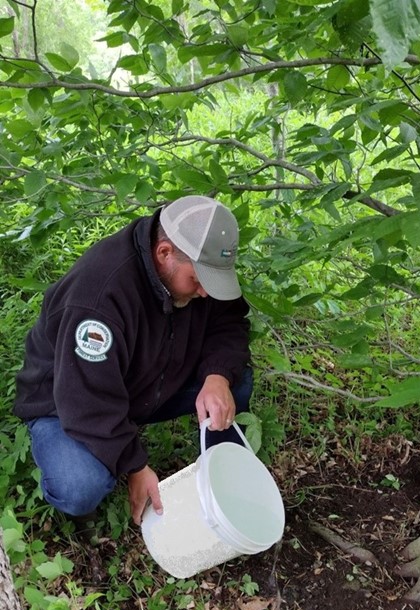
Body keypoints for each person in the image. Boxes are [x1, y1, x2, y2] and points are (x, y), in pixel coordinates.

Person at [13, 195, 253, 528]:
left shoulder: (196, 265)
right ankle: (88, 493)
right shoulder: (99, 297)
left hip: (142, 381)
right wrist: (135, 466)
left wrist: (217, 377)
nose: (205, 293)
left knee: (236, 382)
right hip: (64, 401)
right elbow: (86, 398)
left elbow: (230, 322)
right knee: (80, 485)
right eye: (198, 281)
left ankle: (218, 468)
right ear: (164, 253)